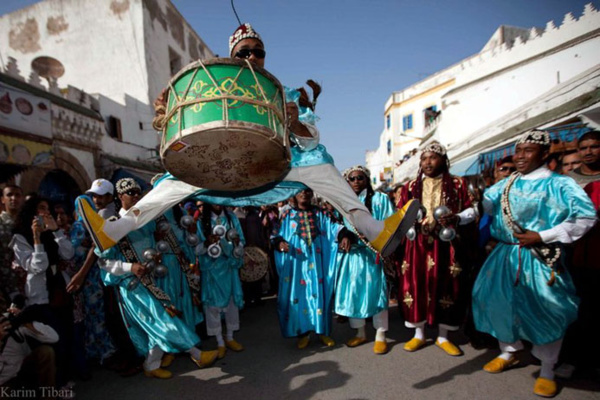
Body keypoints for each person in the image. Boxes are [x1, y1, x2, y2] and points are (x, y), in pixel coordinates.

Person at [76, 23, 418, 261]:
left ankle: (375, 231)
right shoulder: (211, 92)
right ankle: (113, 230)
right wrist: (168, 112)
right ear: (232, 58)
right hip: (221, 169)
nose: (252, 58)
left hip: (273, 166)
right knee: (170, 184)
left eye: (258, 52)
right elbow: (188, 133)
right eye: (244, 53)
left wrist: (295, 121)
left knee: (324, 168)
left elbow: (312, 144)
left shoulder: (285, 93)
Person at [471, 130, 597, 398]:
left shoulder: (561, 184)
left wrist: (543, 235)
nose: (520, 156)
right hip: (504, 255)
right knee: (495, 301)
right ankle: (509, 351)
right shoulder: (504, 185)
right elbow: (485, 207)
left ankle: (548, 369)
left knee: (547, 309)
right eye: (518, 151)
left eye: (528, 151)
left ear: (545, 154)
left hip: (540, 256)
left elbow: (586, 217)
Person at [95, 178, 218, 379]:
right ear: (119, 196)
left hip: (154, 279)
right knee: (162, 319)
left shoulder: (144, 218)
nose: (135, 196)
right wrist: (130, 267)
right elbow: (103, 263)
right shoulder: (112, 225)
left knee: (158, 322)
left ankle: (151, 364)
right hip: (132, 285)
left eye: (137, 192)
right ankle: (196, 354)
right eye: (130, 193)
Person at [396, 142, 476, 356]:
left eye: (432, 157)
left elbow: (472, 210)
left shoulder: (458, 184)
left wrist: (456, 217)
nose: (427, 162)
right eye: (424, 159)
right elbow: (400, 213)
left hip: (446, 244)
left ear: (443, 160)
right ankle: (418, 335)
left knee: (448, 286)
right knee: (415, 284)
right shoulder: (410, 187)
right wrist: (408, 221)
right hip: (418, 244)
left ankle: (443, 336)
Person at [273, 188, 350, 349]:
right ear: (294, 194)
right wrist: (279, 242)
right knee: (298, 297)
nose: (304, 194)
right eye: (300, 191)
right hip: (297, 264)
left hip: (318, 263)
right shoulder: (287, 215)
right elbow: (276, 234)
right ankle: (303, 333)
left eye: (307, 191)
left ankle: (323, 332)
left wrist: (343, 235)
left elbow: (335, 227)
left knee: (320, 294)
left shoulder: (321, 213)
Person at [334, 166, 395, 355]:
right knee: (354, 293)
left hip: (373, 255)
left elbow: (389, 223)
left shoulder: (380, 199)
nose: (356, 181)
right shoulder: (343, 203)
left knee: (377, 293)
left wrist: (374, 237)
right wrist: (344, 234)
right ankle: (360, 332)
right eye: (351, 178)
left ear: (367, 179)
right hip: (352, 256)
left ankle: (381, 335)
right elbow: (335, 225)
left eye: (360, 177)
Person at [195, 203, 245, 359]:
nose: (216, 202)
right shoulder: (201, 222)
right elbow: (196, 250)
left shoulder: (231, 219)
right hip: (211, 271)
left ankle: (230, 337)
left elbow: (242, 242)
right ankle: (220, 342)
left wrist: (236, 243)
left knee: (231, 303)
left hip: (229, 268)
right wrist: (206, 243)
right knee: (213, 307)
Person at [0, 305, 59, 397]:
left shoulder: (8, 321)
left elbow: (53, 338)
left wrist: (25, 321)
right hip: (5, 381)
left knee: (46, 352)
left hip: (25, 371)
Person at [0, 185, 25, 308]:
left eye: (17, 195)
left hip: (30, 287)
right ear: (2, 199)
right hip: (6, 287)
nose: (13, 198)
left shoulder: (28, 224)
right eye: (9, 195)